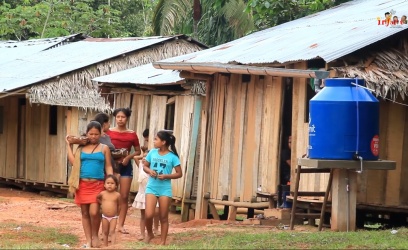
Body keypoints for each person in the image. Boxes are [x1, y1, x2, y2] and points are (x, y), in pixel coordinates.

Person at [66, 121, 113, 248]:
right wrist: (68, 146)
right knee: (85, 213)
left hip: (98, 184)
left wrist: (110, 180)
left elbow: (108, 166)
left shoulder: (104, 148)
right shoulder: (80, 148)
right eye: (91, 134)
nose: (93, 136)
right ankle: (89, 240)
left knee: (94, 212)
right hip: (82, 184)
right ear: (87, 134)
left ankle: (95, 235)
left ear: (101, 134)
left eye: (96, 134)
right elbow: (73, 163)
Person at [143, 130, 183, 245]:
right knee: (148, 214)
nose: (154, 141)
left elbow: (179, 173)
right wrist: (150, 171)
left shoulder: (173, 157)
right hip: (151, 187)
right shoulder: (152, 153)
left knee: (163, 216)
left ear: (163, 142)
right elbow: (145, 166)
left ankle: (163, 241)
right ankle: (149, 233)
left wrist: (166, 175)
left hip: (165, 189)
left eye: (156, 139)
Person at [106, 108, 141, 234]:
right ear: (115, 118)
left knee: (124, 196)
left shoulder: (132, 134)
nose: (120, 119)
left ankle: (120, 225)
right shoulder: (108, 132)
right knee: (110, 195)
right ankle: (108, 223)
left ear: (127, 118)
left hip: (125, 166)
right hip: (111, 166)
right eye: (118, 117)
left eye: (123, 117)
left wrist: (128, 158)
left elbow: (138, 151)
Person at [132, 149, 160, 240]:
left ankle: (156, 229)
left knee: (155, 213)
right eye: (143, 157)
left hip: (153, 194)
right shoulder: (141, 166)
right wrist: (143, 157)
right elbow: (135, 157)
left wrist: (150, 157)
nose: (144, 159)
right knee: (144, 215)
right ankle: (142, 234)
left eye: (146, 157)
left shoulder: (154, 168)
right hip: (143, 195)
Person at [97, 175, 121, 247]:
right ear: (104, 185)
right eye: (108, 183)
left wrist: (117, 214)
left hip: (114, 217)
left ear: (116, 185)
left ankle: (113, 246)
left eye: (112, 183)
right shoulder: (102, 193)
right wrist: (102, 203)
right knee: (105, 231)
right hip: (104, 216)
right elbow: (97, 198)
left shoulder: (117, 195)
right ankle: (105, 245)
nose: (110, 185)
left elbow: (120, 205)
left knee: (112, 231)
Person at [94, 113, 118, 177]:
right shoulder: (94, 138)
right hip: (100, 169)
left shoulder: (107, 137)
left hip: (110, 168)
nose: (109, 125)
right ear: (104, 124)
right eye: (109, 122)